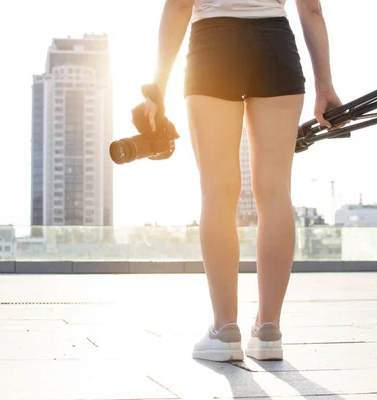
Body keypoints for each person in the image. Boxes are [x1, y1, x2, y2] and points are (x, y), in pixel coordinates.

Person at [144, 0, 343, 362]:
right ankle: (268, 329)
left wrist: (157, 87)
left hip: (213, 43)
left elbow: (177, 6)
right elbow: (311, 9)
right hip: (276, 45)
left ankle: (224, 330)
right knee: (275, 194)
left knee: (218, 192)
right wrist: (324, 85)